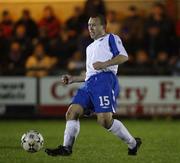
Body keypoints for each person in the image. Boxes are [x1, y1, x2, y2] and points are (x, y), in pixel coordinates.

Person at [45, 15, 142, 156]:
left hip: (105, 80)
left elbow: (123, 56)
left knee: (104, 121)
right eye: (89, 25)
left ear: (103, 26)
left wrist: (104, 64)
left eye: (94, 25)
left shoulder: (111, 38)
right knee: (72, 112)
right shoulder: (89, 47)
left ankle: (133, 143)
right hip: (90, 83)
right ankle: (66, 148)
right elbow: (90, 74)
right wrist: (73, 79)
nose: (90, 28)